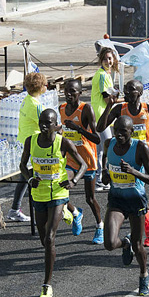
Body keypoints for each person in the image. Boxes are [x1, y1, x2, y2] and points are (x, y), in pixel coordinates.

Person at [20, 109, 87, 297]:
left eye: (48, 123)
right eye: (41, 122)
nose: (43, 126)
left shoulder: (63, 142)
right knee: (44, 241)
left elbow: (82, 164)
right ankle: (66, 213)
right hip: (38, 194)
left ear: (55, 124)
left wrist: (74, 182)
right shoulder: (31, 141)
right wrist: (29, 178)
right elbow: (22, 165)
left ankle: (46, 286)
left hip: (58, 193)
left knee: (50, 239)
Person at [98, 79, 149, 247]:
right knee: (134, 194)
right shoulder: (119, 109)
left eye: (131, 90)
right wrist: (109, 105)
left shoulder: (148, 109)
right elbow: (100, 127)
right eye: (125, 90)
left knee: (137, 193)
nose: (127, 93)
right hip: (124, 154)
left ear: (140, 92)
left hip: (145, 155)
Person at [101, 116, 149, 296]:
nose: (119, 135)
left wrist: (133, 171)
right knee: (109, 243)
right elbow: (105, 160)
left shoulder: (140, 148)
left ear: (131, 132)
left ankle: (144, 275)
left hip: (136, 200)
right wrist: (105, 173)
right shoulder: (109, 144)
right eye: (116, 130)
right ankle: (125, 245)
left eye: (123, 132)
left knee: (139, 244)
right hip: (116, 199)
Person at [59, 79, 104, 244]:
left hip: (88, 161)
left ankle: (100, 226)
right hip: (71, 160)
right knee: (60, 189)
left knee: (90, 198)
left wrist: (77, 128)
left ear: (80, 93)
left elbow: (97, 138)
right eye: (66, 91)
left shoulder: (85, 109)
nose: (69, 95)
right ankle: (76, 213)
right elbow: (64, 135)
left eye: (73, 91)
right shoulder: (62, 109)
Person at [7, 72, 48, 222]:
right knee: (32, 177)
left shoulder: (27, 100)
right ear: (40, 87)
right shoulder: (36, 105)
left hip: (25, 141)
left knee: (25, 176)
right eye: (45, 84)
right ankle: (41, 208)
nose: (46, 87)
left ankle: (15, 208)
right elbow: (45, 125)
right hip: (34, 144)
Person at [91, 47, 120, 191]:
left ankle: (99, 179)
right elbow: (106, 97)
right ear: (101, 60)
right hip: (101, 114)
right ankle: (101, 179)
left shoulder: (105, 74)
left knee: (101, 149)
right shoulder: (102, 75)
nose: (108, 61)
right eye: (105, 59)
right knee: (107, 146)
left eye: (110, 58)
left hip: (101, 113)